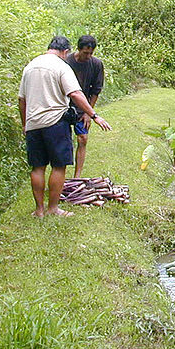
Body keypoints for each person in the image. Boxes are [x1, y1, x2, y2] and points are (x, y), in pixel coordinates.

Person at [18, 36, 112, 217]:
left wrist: (25, 124)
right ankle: (53, 209)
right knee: (59, 166)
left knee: (37, 167)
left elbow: (21, 101)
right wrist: (94, 115)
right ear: (66, 51)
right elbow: (75, 93)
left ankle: (39, 210)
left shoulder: (30, 66)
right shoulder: (62, 66)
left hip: (33, 124)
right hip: (55, 123)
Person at [65, 35, 105, 178]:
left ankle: (77, 176)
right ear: (78, 49)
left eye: (91, 53)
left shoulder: (96, 64)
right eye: (85, 53)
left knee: (83, 138)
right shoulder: (66, 62)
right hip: (63, 106)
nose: (88, 56)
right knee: (64, 141)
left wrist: (89, 113)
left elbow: (96, 90)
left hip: (83, 108)